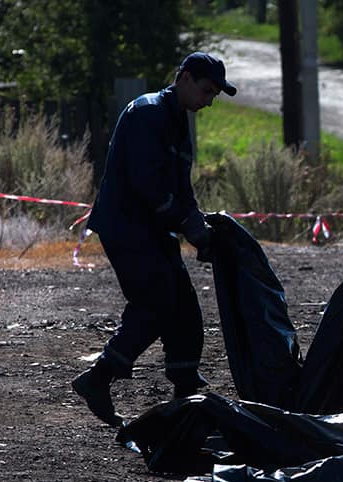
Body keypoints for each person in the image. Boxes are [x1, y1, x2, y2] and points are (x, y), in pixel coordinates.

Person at [72, 52, 237, 426]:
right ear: (184, 78)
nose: (209, 101)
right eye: (207, 91)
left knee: (184, 302)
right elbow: (149, 186)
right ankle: (98, 378)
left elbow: (181, 187)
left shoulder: (178, 121)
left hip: (152, 228)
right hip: (126, 226)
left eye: (213, 95)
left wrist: (199, 228)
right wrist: (187, 224)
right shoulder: (148, 113)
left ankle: (185, 386)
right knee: (157, 301)